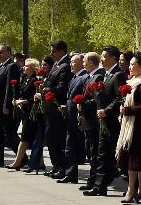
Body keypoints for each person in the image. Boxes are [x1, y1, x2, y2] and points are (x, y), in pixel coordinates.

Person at [116, 51, 141, 204]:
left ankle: (136, 190)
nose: (130, 66)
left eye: (133, 64)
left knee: (138, 160)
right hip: (131, 126)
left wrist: (127, 110)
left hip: (140, 127)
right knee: (131, 159)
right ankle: (136, 189)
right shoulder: (132, 81)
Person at [85, 45, 125, 197]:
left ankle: (132, 185)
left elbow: (119, 98)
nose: (101, 59)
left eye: (104, 56)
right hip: (102, 122)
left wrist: (106, 110)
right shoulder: (106, 75)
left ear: (113, 58)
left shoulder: (118, 75)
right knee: (102, 154)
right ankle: (100, 186)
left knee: (109, 154)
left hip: (111, 122)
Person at [43, 40, 72, 178]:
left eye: (54, 51)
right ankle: (56, 166)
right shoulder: (57, 64)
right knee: (50, 137)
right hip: (50, 108)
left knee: (58, 139)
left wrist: (46, 89)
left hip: (58, 107)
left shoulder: (66, 65)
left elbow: (61, 87)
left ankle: (61, 167)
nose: (51, 53)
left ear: (61, 51)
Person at [76, 52, 105, 192]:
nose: (83, 63)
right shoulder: (90, 76)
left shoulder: (99, 76)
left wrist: (84, 103)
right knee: (89, 151)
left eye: (85, 61)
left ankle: (94, 181)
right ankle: (91, 180)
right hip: (86, 119)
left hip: (93, 120)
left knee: (94, 152)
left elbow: (97, 100)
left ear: (92, 62)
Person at [58, 53, 88, 184]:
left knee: (75, 145)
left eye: (73, 62)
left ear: (82, 63)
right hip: (69, 115)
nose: (70, 64)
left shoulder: (84, 77)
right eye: (70, 62)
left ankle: (72, 173)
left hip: (77, 117)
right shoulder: (74, 77)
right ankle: (70, 174)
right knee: (69, 145)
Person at [7, 58, 40, 170]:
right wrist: (17, 100)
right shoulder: (25, 78)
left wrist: (24, 101)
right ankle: (40, 162)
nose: (23, 67)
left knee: (24, 138)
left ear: (31, 68)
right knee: (33, 138)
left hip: (32, 112)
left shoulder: (35, 80)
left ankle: (17, 161)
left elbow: (35, 98)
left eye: (26, 66)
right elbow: (22, 93)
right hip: (24, 111)